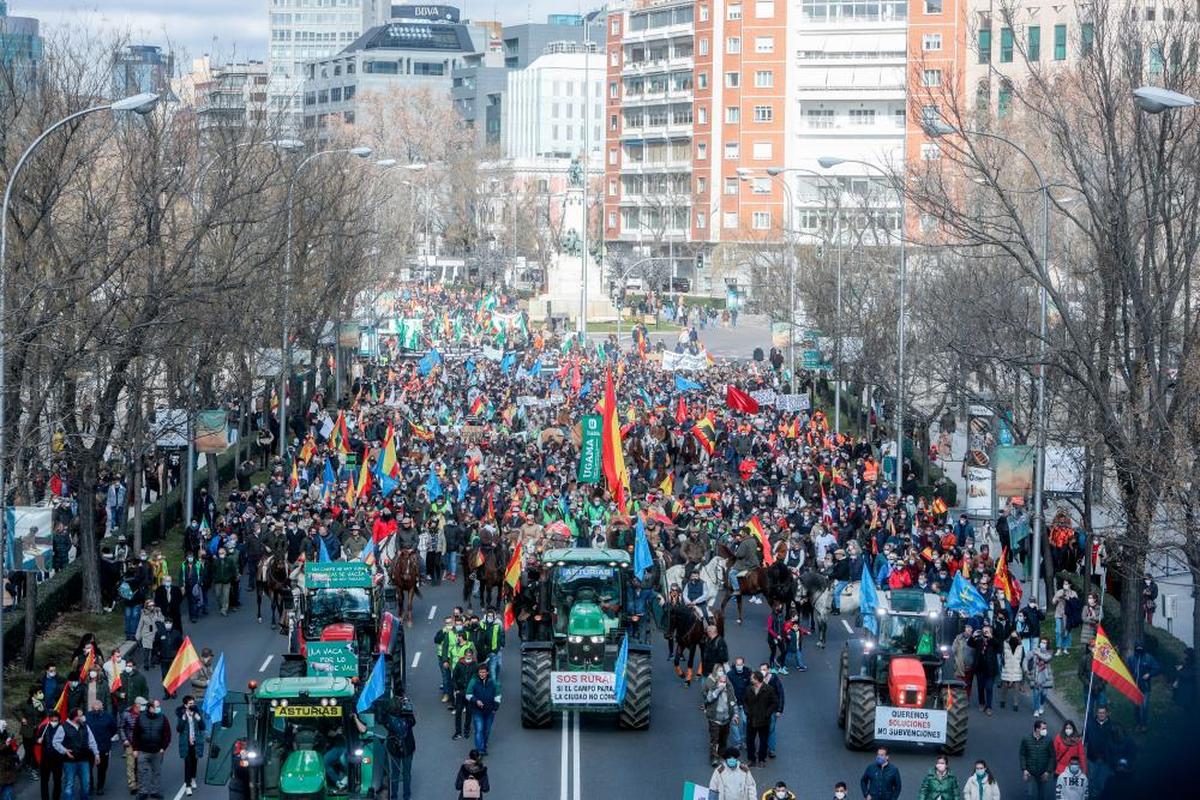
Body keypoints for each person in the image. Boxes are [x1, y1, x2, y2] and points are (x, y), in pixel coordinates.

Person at [52, 707, 99, 800]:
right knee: (69, 785)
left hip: (84, 760)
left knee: (86, 784)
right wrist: (64, 750)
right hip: (69, 761)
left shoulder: (85, 726)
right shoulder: (63, 727)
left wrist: (96, 754)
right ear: (74, 717)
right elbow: (55, 742)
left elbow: (92, 741)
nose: (83, 717)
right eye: (81, 716)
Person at [132, 699, 171, 800]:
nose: (158, 708)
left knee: (156, 772)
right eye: (156, 706)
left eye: (159, 706)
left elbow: (167, 734)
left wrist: (163, 747)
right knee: (142, 772)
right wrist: (135, 749)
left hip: (157, 751)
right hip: (143, 751)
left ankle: (155, 791)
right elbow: (135, 734)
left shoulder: (163, 718)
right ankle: (143, 792)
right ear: (150, 708)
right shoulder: (140, 718)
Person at [380, 696, 416, 800]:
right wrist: (409, 709)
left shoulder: (388, 719)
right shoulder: (407, 716)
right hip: (407, 748)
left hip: (394, 748)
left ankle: (394, 796)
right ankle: (406, 796)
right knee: (406, 774)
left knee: (394, 774)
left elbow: (381, 720)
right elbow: (413, 722)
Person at [742, 671, 778, 769]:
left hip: (764, 721)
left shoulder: (769, 689)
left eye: (752, 678)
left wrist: (767, 714)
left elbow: (774, 703)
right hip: (751, 719)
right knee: (750, 741)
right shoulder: (748, 689)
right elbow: (744, 701)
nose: (750, 679)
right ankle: (751, 759)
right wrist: (747, 712)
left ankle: (761, 759)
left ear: (757, 679)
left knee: (763, 741)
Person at [703, 664, 737, 766]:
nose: (723, 683)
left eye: (724, 682)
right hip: (715, 719)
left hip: (726, 719)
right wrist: (718, 690)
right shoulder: (713, 688)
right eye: (721, 682)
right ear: (718, 682)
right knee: (715, 739)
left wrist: (735, 715)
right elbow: (709, 699)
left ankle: (722, 756)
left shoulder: (730, 691)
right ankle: (714, 757)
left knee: (723, 739)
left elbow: (733, 703)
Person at [464, 662, 500, 756]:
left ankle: (483, 744)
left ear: (487, 672)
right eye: (480, 672)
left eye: (484, 672)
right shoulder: (474, 681)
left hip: (490, 711)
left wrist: (495, 708)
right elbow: (468, 695)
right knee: (479, 729)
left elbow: (498, 696)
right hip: (477, 711)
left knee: (487, 730)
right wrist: (476, 701)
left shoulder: (493, 682)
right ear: (478, 673)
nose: (482, 674)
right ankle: (480, 750)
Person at [84, 700, 118, 796]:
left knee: (102, 768)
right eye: (94, 707)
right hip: (89, 748)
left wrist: (107, 738)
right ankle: (90, 786)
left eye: (98, 707)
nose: (96, 709)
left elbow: (114, 729)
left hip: (103, 747)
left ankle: (100, 787)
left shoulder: (108, 717)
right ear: (92, 708)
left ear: (102, 707)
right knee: (88, 768)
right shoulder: (86, 716)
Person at [174, 697, 205, 796]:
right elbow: (179, 729)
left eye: (193, 703)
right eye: (190, 703)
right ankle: (187, 786)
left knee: (195, 761)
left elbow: (203, 727)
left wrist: (198, 719)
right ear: (186, 705)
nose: (193, 705)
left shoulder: (197, 713)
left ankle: (193, 778)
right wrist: (183, 719)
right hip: (186, 743)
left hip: (196, 742)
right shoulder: (182, 715)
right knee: (187, 763)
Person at [1127, 642, 1160, 732]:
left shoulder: (1148, 658)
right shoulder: (1131, 658)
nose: (1139, 651)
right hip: (1135, 687)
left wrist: (1149, 674)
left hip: (1145, 687)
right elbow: (1127, 670)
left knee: (1144, 706)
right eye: (1138, 649)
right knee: (1136, 707)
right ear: (1135, 649)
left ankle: (1144, 725)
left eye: (1141, 649)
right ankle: (1138, 724)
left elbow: (1157, 668)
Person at [1019, 719, 1055, 800]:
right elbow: (1022, 754)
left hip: (1043, 772)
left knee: (1042, 795)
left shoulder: (1048, 740)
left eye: (1045, 728)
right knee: (1030, 794)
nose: (1045, 731)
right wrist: (1024, 769)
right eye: (1043, 729)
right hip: (1030, 772)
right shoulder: (1026, 739)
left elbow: (1052, 756)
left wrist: (1048, 771)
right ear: (1037, 729)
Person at [757, 662, 785, 759]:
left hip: (772, 709)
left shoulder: (774, 679)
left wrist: (780, 710)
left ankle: (771, 749)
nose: (762, 671)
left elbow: (781, 694)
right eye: (761, 669)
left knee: (771, 729)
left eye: (764, 669)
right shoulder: (758, 680)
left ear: (768, 670)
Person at [118, 697, 145, 796]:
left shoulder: (144, 714)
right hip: (130, 742)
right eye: (142, 705)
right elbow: (121, 727)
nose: (144, 707)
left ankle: (139, 782)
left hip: (141, 742)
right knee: (131, 764)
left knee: (140, 763)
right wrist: (124, 739)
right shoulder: (126, 714)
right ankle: (132, 785)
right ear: (137, 704)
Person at [37, 711, 64, 800]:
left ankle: (56, 798)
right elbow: (36, 740)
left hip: (58, 759)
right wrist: (38, 740)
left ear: (59, 719)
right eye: (52, 719)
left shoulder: (62, 728)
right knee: (44, 782)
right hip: (45, 759)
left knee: (57, 782)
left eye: (55, 719)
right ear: (49, 719)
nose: (54, 721)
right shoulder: (44, 728)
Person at [1027, 637, 1055, 717]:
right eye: (1042, 642)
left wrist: (1038, 653)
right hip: (1036, 675)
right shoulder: (1035, 650)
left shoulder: (1049, 652)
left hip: (1045, 677)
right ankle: (1036, 709)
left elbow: (1046, 658)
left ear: (1047, 645)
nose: (1042, 644)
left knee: (1044, 694)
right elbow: (1027, 657)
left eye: (1045, 643)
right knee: (1036, 693)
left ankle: (1041, 704)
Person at [999, 630, 1026, 711]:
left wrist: (1022, 668)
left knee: (1016, 689)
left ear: (1018, 637)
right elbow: (1002, 656)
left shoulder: (1021, 646)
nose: (1014, 638)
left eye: (1015, 636)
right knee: (1004, 688)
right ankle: (1003, 700)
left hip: (1017, 669)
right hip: (1007, 668)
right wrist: (1004, 665)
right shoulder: (1005, 644)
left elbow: (1022, 658)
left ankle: (1015, 704)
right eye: (1012, 636)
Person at [1051, 580, 1078, 654]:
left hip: (1068, 616)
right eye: (1064, 584)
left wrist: (1068, 598)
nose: (1065, 585)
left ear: (1070, 585)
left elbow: (1076, 604)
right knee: (1058, 631)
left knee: (1067, 632)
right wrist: (1057, 599)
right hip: (1059, 614)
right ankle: (1059, 648)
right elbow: (1053, 602)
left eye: (1066, 584)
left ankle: (1066, 648)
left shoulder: (1073, 593)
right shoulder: (1059, 592)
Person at [0, 720, 20, 800]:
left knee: (8, 786)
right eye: (3, 726)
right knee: (5, 785)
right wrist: (6, 744)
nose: (5, 727)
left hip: (8, 764)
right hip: (3, 765)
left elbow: (12, 748)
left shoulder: (5, 733)